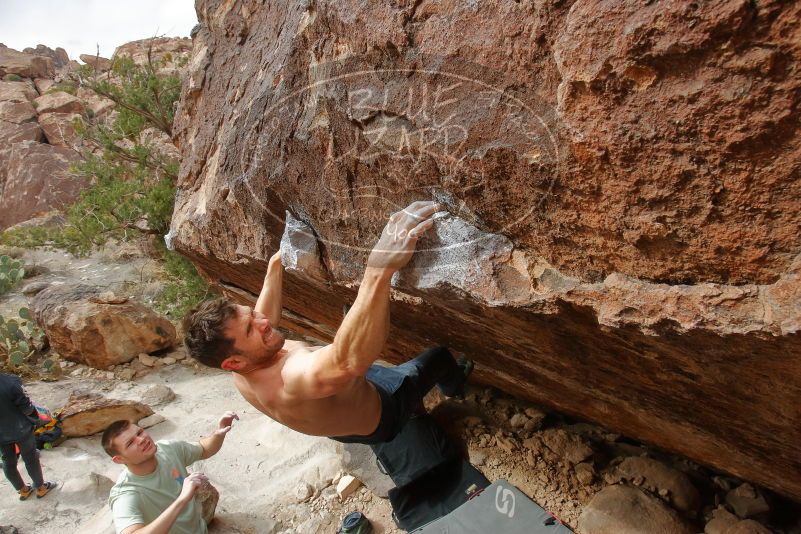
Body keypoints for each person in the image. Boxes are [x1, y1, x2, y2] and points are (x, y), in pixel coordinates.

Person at [183, 201, 473, 444]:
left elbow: (263, 318)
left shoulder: (241, 364)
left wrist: (276, 263)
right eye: (250, 328)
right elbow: (348, 362)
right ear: (233, 362)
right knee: (438, 357)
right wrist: (378, 269)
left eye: (251, 314)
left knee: (353, 346)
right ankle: (455, 389)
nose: (262, 321)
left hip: (341, 415)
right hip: (385, 410)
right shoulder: (291, 378)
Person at [103, 411, 238, 534]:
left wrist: (218, 434)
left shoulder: (167, 449)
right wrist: (182, 499)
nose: (142, 439)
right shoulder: (126, 493)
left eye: (139, 433)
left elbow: (203, 448)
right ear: (119, 459)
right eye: (130, 443)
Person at [0, 372, 56, 500]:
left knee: (7, 461)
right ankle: (41, 488)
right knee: (30, 457)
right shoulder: (11, 382)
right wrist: (39, 414)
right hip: (21, 429)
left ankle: (23, 490)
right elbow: (28, 409)